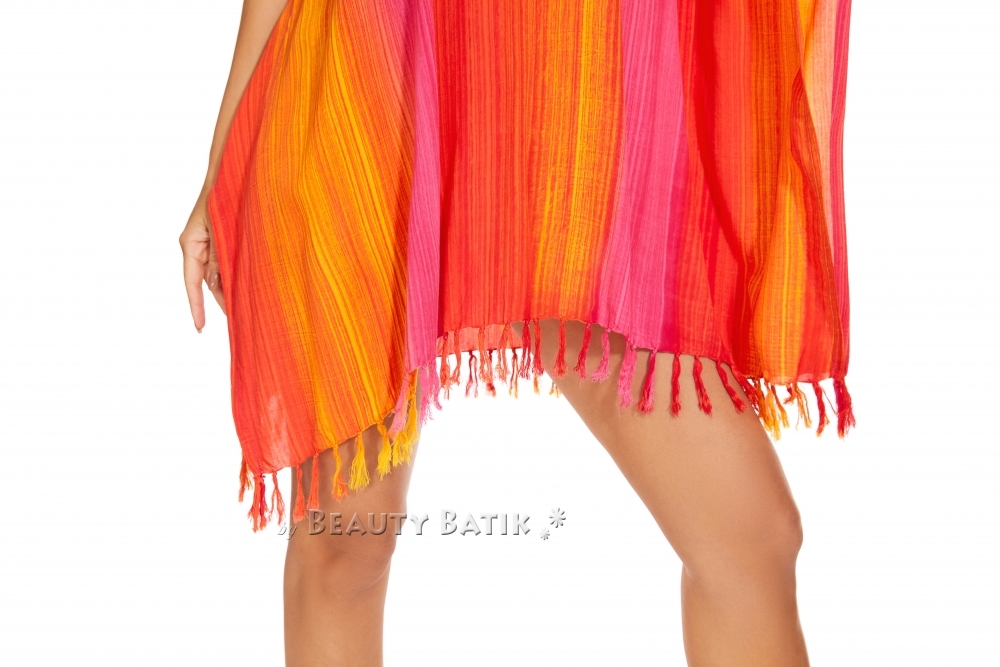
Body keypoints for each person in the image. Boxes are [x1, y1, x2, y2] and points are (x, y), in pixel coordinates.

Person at [180, 2, 854, 665]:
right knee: (345, 544)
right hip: (367, 72)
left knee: (750, 540)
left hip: (568, 109)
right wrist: (221, 163)